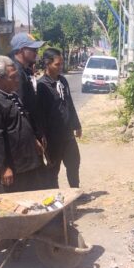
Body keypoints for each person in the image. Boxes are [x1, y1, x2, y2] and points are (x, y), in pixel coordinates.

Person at [0, 55, 46, 193]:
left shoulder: (11, 95)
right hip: (13, 170)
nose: (17, 80)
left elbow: (22, 121)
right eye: (13, 77)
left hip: (27, 163)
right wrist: (3, 168)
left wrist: (34, 140)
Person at [37, 48, 82, 188]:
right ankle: (55, 198)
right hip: (53, 138)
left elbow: (69, 103)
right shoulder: (41, 86)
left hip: (67, 134)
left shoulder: (62, 81)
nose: (60, 67)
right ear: (47, 64)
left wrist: (77, 124)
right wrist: (42, 135)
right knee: (53, 170)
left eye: (61, 64)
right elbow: (40, 114)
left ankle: (75, 192)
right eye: (57, 64)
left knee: (74, 163)